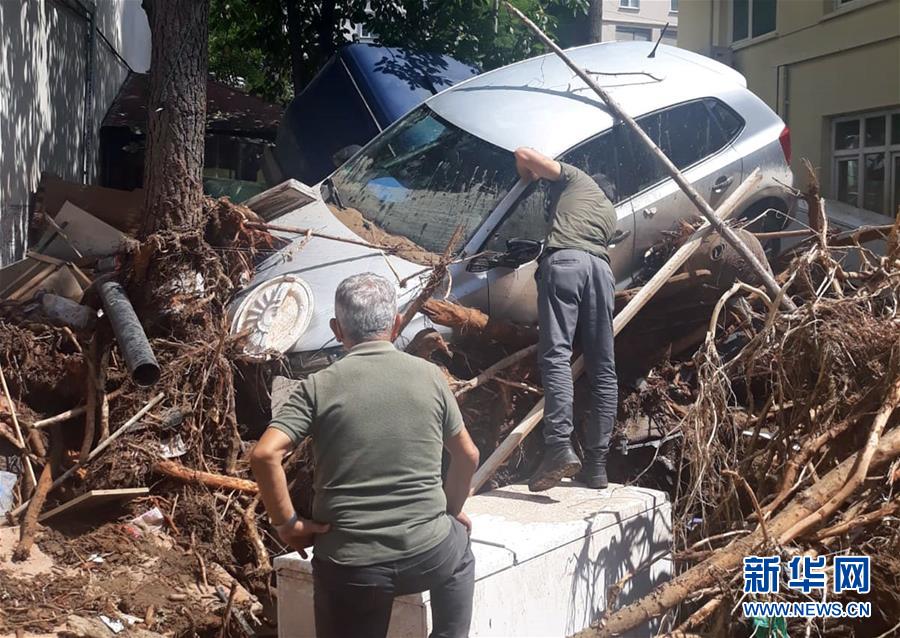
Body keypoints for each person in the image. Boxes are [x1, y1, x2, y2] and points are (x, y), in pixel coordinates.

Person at [251, 273, 480, 638]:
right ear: (396, 324)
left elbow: (264, 455)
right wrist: (448, 512)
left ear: (337, 330)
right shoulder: (430, 376)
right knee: (460, 553)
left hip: (351, 566)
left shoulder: (318, 386)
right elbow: (467, 456)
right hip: (430, 553)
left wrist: (288, 525)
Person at [513, 147, 618, 492]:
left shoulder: (576, 178)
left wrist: (526, 175)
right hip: (601, 272)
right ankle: (597, 466)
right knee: (603, 368)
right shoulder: (609, 214)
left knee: (557, 355)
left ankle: (559, 446)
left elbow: (524, 153)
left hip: (567, 265)